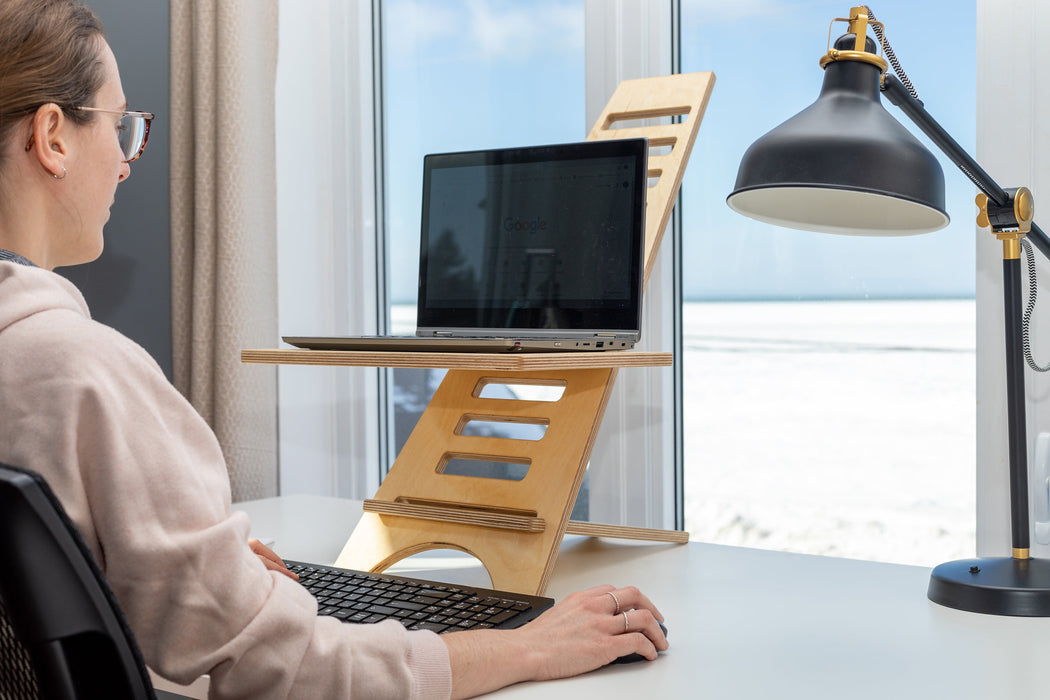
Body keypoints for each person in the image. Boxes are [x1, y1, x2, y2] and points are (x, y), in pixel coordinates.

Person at [0, 1, 669, 698]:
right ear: (53, 136)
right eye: (121, 126)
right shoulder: (81, 371)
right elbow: (287, 669)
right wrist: (525, 648)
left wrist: (194, 579)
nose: (127, 163)